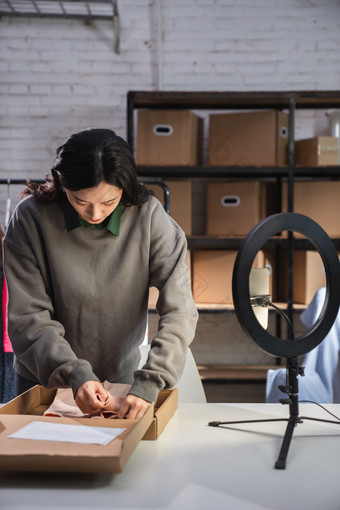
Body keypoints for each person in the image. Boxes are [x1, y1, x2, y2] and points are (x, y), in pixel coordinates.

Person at [3, 127, 198, 419]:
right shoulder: (30, 219)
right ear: (61, 183)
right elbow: (28, 316)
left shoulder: (150, 218)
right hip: (44, 381)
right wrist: (74, 373)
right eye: (81, 201)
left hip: (124, 383)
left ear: (126, 187)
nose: (95, 214)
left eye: (109, 202)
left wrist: (152, 379)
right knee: (40, 463)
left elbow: (179, 310)